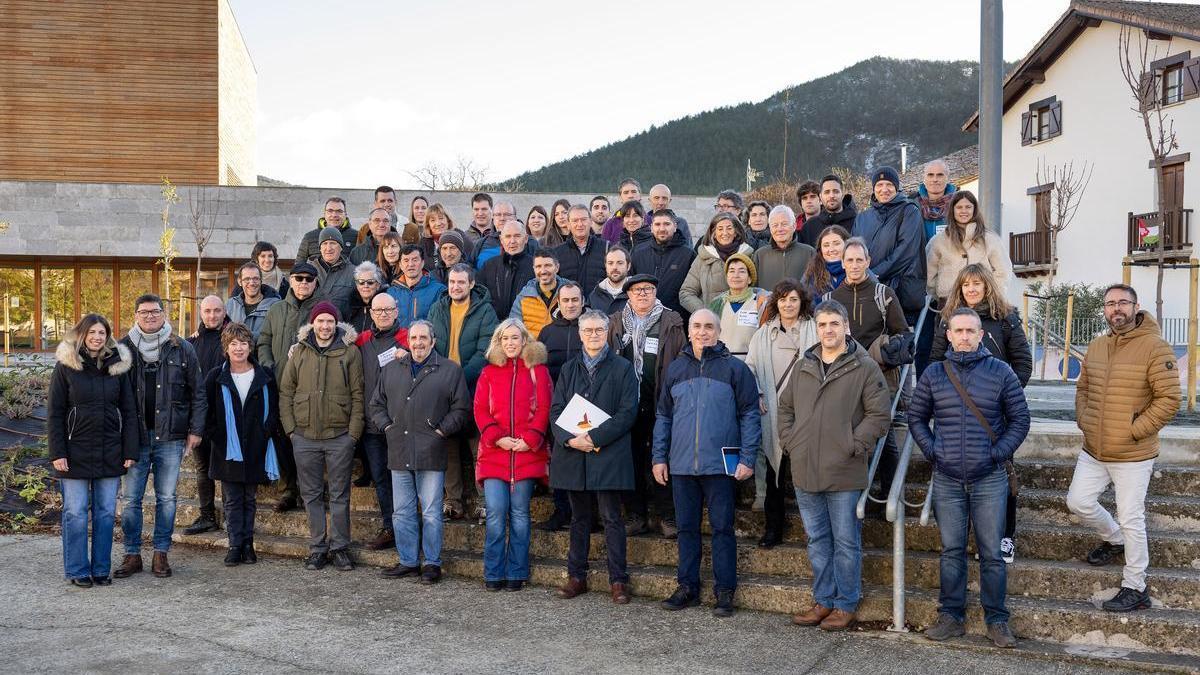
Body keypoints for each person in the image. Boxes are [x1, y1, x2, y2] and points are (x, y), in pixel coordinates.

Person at [910, 307, 1030, 647]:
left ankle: (997, 620)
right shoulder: (934, 374)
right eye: (958, 330)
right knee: (951, 550)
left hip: (989, 478)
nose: (964, 336)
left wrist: (997, 454)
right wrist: (933, 450)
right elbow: (917, 418)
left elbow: (1020, 419)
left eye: (970, 331)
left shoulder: (1001, 372)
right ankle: (951, 617)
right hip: (947, 478)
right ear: (948, 334)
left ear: (981, 336)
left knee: (992, 552)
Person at [1067, 284, 1180, 612]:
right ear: (1104, 310)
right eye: (1110, 303)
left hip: (1133, 453)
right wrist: (1084, 419)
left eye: (1122, 303)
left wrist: (1134, 430)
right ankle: (1114, 539)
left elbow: (1169, 399)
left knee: (1131, 516)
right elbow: (1083, 386)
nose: (1116, 308)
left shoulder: (1155, 347)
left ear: (1135, 306)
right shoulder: (1098, 344)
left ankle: (1136, 586)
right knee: (1078, 502)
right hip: (1093, 450)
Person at [780, 299, 890, 631]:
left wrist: (853, 445)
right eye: (823, 324)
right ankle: (823, 600)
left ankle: (845, 604)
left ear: (846, 327)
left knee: (845, 541)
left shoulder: (864, 367)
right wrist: (791, 441)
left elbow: (879, 415)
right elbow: (785, 410)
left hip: (844, 470)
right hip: (805, 468)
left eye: (834, 324)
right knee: (817, 540)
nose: (828, 330)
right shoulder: (804, 366)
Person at [653, 308, 760, 617]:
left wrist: (748, 457)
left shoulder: (734, 370)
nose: (702, 331)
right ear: (689, 331)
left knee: (722, 528)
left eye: (708, 326)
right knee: (686, 528)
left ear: (718, 331)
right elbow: (663, 417)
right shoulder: (675, 370)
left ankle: (724, 591)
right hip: (683, 465)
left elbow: (750, 415)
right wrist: (659, 457)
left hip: (720, 466)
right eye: (697, 326)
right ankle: (687, 587)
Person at [930, 264, 1032, 562]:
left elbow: (1023, 363)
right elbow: (935, 362)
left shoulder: (1006, 318)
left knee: (1003, 474)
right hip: (956, 413)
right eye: (966, 285)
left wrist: (1004, 397)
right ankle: (968, 541)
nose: (972, 289)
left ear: (987, 286)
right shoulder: (948, 320)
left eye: (977, 283)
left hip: (994, 415)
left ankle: (1005, 538)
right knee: (960, 482)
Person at [370, 320, 471, 584]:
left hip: (431, 450)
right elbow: (376, 405)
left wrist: (440, 432)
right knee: (401, 511)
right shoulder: (392, 369)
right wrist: (387, 427)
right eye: (413, 338)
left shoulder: (449, 370)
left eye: (423, 338)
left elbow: (461, 410)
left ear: (433, 341)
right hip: (399, 449)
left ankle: (432, 563)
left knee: (431, 512)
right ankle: (408, 561)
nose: (418, 343)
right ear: (408, 340)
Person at [551, 310, 640, 604]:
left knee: (612, 518)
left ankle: (618, 580)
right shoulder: (568, 369)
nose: (593, 335)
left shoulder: (623, 368)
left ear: (607, 332)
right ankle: (576, 576)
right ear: (579, 333)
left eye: (599, 330)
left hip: (608, 454)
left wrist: (594, 438)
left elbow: (628, 411)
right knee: (578, 519)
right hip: (574, 454)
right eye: (587, 330)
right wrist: (570, 439)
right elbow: (556, 412)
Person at [115, 294, 205, 580]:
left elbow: (198, 393)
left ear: (164, 314)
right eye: (144, 312)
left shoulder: (183, 348)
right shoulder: (121, 349)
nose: (150, 316)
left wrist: (196, 430)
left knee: (167, 498)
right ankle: (132, 554)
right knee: (131, 499)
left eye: (155, 312)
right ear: (136, 315)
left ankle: (161, 553)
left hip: (171, 436)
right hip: (134, 438)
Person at [49, 314, 138, 587]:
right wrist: (57, 452)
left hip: (110, 450)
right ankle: (77, 570)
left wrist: (129, 449)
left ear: (108, 336)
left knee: (105, 513)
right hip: (74, 452)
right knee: (75, 513)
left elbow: (129, 411)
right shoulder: (66, 367)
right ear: (82, 334)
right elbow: (55, 413)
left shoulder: (118, 367)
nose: (97, 337)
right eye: (92, 332)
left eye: (102, 332)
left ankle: (100, 569)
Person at [279, 301, 364, 572]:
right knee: (311, 494)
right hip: (304, 435)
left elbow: (358, 395)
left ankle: (339, 548)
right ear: (313, 324)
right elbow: (286, 392)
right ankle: (317, 547)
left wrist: (353, 434)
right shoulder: (300, 352)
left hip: (340, 436)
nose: (325, 326)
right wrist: (291, 429)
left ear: (336, 324)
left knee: (340, 494)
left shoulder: (349, 352)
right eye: (320, 321)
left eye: (330, 321)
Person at [828, 238, 911, 508]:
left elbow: (903, 335)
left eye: (859, 260)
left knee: (882, 436)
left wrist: (883, 354)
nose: (854, 265)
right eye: (849, 260)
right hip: (844, 376)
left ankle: (891, 496)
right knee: (849, 433)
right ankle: (856, 496)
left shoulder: (883, 294)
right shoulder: (831, 298)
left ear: (868, 262)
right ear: (842, 263)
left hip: (879, 375)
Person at [473, 319, 552, 591]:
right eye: (505, 338)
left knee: (520, 514)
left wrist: (529, 440)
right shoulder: (489, 372)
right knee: (495, 512)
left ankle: (517, 571)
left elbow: (544, 408)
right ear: (498, 341)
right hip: (495, 453)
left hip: (526, 454)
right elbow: (480, 409)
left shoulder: (538, 371)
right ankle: (493, 572)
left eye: (515, 338)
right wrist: (498, 437)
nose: (510, 343)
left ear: (524, 340)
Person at [609, 273, 686, 538]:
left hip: (659, 400)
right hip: (626, 403)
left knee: (662, 457)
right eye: (637, 290)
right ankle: (635, 515)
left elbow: (679, 359)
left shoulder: (672, 321)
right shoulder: (616, 322)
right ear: (628, 294)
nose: (643, 293)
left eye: (649, 289)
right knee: (630, 460)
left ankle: (667, 515)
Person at [201, 323, 283, 567]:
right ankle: (235, 545)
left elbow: (274, 410)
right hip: (228, 448)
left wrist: (265, 431)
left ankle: (248, 545)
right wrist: (217, 435)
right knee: (232, 500)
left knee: (250, 499)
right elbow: (206, 411)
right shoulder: (216, 376)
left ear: (250, 346)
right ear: (226, 347)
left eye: (243, 343)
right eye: (233, 344)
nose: (238, 348)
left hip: (257, 446)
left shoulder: (264, 376)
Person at [746, 279, 817, 548]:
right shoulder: (763, 334)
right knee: (775, 475)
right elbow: (750, 368)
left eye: (794, 299)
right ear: (776, 303)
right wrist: (758, 394)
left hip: (808, 411)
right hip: (774, 412)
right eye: (784, 299)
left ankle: (813, 530)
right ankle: (772, 528)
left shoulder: (814, 329)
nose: (788, 304)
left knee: (807, 475)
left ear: (802, 303)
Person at [428, 263, 500, 521]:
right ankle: (452, 501)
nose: (456, 287)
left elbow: (486, 351)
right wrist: (442, 377)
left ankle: (484, 501)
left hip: (474, 386)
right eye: (452, 282)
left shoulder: (485, 311)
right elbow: (430, 344)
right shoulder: (437, 309)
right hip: (442, 388)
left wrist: (458, 375)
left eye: (461, 282)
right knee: (447, 444)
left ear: (471, 284)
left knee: (478, 445)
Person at [256, 262, 322, 512]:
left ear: (315, 282)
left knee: (308, 443)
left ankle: (309, 492)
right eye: (298, 278)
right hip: (280, 385)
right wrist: (269, 366)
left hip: (311, 389)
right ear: (290, 281)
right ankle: (288, 490)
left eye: (308, 279)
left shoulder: (322, 311)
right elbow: (263, 342)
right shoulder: (277, 310)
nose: (303, 283)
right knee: (282, 439)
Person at [355, 292, 410, 552]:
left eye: (388, 309)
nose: (383, 314)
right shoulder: (362, 340)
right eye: (378, 310)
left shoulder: (410, 339)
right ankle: (390, 527)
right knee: (380, 477)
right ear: (370, 313)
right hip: (372, 424)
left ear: (397, 311)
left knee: (404, 477)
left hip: (402, 423)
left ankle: (407, 528)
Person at [182, 295, 229, 537]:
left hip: (226, 417)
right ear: (201, 312)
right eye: (208, 311)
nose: (212, 315)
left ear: (224, 312)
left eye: (217, 311)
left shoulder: (233, 339)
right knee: (202, 468)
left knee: (228, 467)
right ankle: (207, 515)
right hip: (200, 418)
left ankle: (232, 517)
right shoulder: (191, 343)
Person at [853, 166, 926, 323]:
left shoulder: (909, 211)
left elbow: (906, 251)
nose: (884, 189)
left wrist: (874, 274)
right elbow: (854, 252)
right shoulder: (862, 218)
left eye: (889, 185)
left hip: (901, 293)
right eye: (879, 185)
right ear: (874, 189)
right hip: (869, 293)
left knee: (901, 343)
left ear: (896, 187)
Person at [680, 213, 755, 314]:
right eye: (720, 229)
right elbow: (686, 293)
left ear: (736, 232)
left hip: (742, 321)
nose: (725, 233)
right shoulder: (703, 257)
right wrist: (706, 312)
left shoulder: (749, 256)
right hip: (711, 324)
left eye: (729, 228)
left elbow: (757, 290)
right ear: (714, 233)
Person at [631, 209, 694, 316]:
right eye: (657, 224)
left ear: (675, 227)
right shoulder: (638, 253)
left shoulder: (688, 255)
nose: (662, 228)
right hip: (643, 317)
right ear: (651, 228)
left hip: (677, 320)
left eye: (666, 224)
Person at [708, 254, 769, 360]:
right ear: (727, 277)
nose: (736, 275)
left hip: (750, 364)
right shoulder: (717, 303)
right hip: (720, 363)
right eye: (731, 271)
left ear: (750, 279)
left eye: (742, 271)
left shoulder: (761, 302)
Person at [480, 221, 535, 320]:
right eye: (508, 236)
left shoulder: (535, 266)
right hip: (493, 326)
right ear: (501, 239)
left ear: (526, 238)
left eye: (517, 236)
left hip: (526, 326)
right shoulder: (488, 266)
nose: (512, 241)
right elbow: (480, 299)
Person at [753, 205, 816, 292]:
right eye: (775, 225)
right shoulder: (760, 255)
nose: (779, 229)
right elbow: (753, 289)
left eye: (784, 224)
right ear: (770, 229)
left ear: (794, 226)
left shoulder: (809, 252)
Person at [510, 250, 567, 338]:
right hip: (532, 350)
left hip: (562, 350)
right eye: (538, 266)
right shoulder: (523, 297)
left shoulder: (570, 293)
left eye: (547, 266)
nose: (543, 271)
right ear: (534, 269)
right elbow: (514, 331)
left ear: (557, 267)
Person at [386, 244, 447, 328]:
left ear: (422, 263)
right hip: (398, 340)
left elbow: (443, 323)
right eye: (406, 260)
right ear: (400, 265)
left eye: (415, 260)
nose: (410, 264)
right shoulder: (391, 293)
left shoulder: (438, 290)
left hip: (425, 340)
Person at [554, 204, 609, 293]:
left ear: (591, 222)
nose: (580, 224)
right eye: (575, 221)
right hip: (569, 305)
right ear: (568, 224)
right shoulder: (557, 253)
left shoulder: (606, 248)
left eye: (584, 219)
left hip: (599, 305)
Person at [537, 282, 585, 381]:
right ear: (558, 303)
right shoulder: (546, 332)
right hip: (553, 393)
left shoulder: (592, 330)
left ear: (583, 301)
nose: (570, 305)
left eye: (575, 300)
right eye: (565, 300)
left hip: (584, 393)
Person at [797, 175, 857, 248]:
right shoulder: (809, 227)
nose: (831, 195)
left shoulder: (857, 222)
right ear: (820, 196)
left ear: (842, 194)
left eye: (836, 191)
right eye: (827, 192)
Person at [226, 262, 281, 339]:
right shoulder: (230, 305)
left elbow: (277, 336)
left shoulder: (275, 306)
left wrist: (243, 337)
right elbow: (224, 334)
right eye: (247, 279)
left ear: (261, 280)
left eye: (255, 278)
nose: (251, 283)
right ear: (239, 281)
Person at [311, 227, 356, 319]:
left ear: (341, 247)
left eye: (333, 243)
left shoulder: (353, 272)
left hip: (341, 327)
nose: (328, 248)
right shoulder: (308, 270)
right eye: (324, 243)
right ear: (320, 248)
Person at [801, 225, 850, 303]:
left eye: (836, 244)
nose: (831, 249)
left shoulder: (859, 269)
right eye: (826, 245)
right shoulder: (811, 274)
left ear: (847, 244)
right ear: (820, 249)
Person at [911, 159, 957, 242]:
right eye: (930, 175)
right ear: (924, 178)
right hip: (919, 255)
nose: (935, 179)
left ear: (947, 178)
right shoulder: (911, 205)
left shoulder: (959, 203)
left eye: (940, 175)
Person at [296, 196, 354, 262]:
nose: (334, 215)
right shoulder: (309, 237)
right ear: (324, 214)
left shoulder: (356, 236)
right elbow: (299, 265)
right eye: (330, 211)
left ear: (345, 214)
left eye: (339, 211)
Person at [473, 200, 516, 270]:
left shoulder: (527, 242)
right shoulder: (481, 243)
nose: (502, 218)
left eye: (507, 214)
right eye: (498, 215)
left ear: (515, 218)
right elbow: (471, 268)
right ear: (493, 218)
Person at [588, 246, 631, 315]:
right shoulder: (595, 295)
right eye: (610, 263)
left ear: (628, 266)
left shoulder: (638, 294)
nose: (614, 267)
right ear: (605, 266)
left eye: (620, 263)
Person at [600, 178, 645, 243]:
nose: (630, 196)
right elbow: (604, 250)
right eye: (626, 193)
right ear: (620, 198)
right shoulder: (610, 224)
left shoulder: (650, 221)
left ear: (640, 195)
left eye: (634, 192)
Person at [346, 262, 385, 333]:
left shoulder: (384, 308)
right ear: (357, 285)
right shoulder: (349, 308)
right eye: (361, 282)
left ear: (378, 285)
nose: (365, 286)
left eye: (370, 282)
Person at [419, 203, 455, 273]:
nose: (438, 223)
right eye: (433, 220)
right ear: (428, 225)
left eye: (441, 218)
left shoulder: (460, 238)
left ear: (448, 220)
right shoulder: (423, 244)